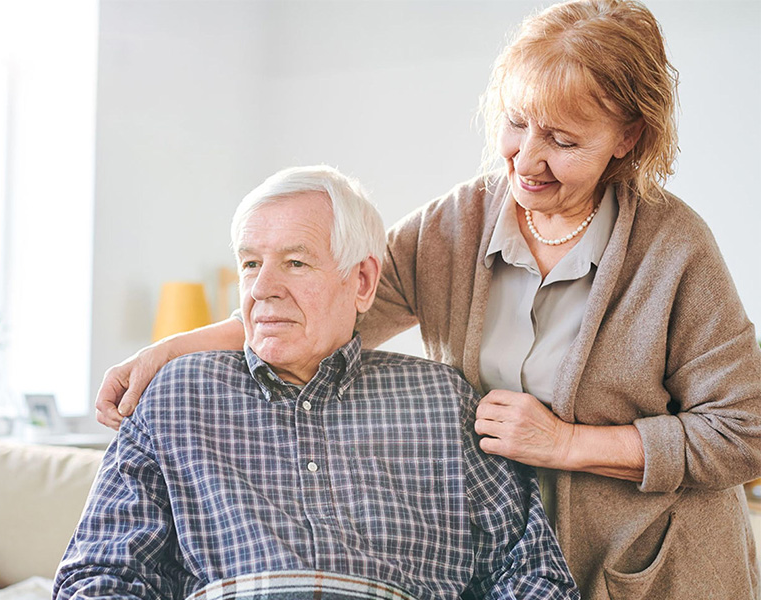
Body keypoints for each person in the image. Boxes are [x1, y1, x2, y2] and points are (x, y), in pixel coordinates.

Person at [95, 1, 761, 598]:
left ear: (628, 139)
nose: (526, 159)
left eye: (561, 140)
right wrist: (166, 354)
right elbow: (320, 302)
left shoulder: (673, 247)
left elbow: (744, 431)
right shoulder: (456, 225)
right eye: (517, 124)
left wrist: (567, 444)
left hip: (654, 565)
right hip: (528, 554)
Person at [55, 166, 578, 600]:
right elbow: (100, 576)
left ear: (363, 282)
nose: (262, 288)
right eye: (251, 264)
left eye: (295, 262)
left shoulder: (443, 401)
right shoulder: (177, 397)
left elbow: (532, 575)